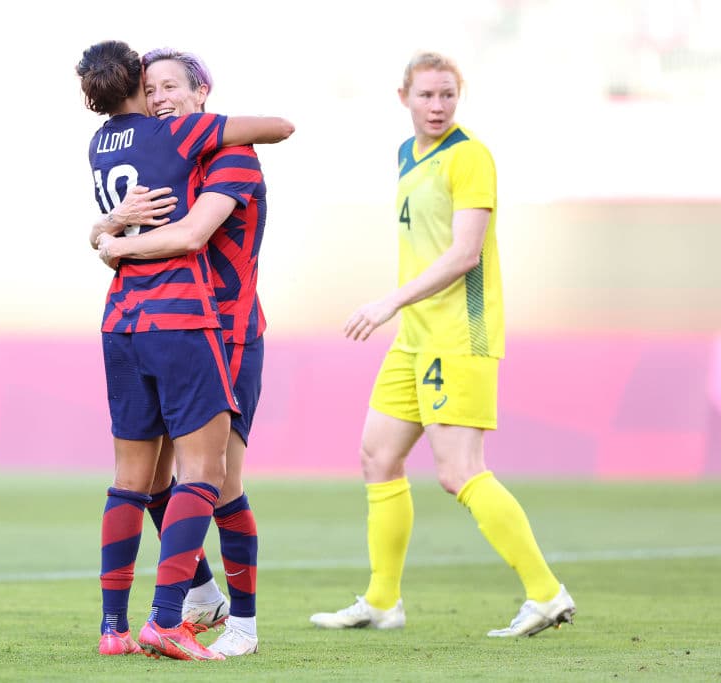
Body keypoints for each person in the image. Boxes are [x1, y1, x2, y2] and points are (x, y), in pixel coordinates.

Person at [308, 51, 576, 638]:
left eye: (448, 95)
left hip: (460, 334)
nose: (437, 106)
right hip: (416, 337)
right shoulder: (408, 155)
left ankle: (546, 593)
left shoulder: (469, 155)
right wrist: (404, 313)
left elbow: (465, 255)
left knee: (459, 472)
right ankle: (382, 602)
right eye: (427, 95)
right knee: (377, 456)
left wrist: (389, 302)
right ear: (402, 96)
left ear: (459, 97)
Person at [76, 39, 293, 661]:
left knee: (220, 484)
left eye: (172, 86)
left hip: (228, 333)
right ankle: (197, 592)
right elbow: (127, 220)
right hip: (176, 327)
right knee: (153, 482)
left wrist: (113, 242)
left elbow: (193, 233)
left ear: (202, 94)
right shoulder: (167, 153)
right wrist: (106, 225)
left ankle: (243, 622)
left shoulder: (231, 156)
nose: (160, 96)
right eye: (151, 88)